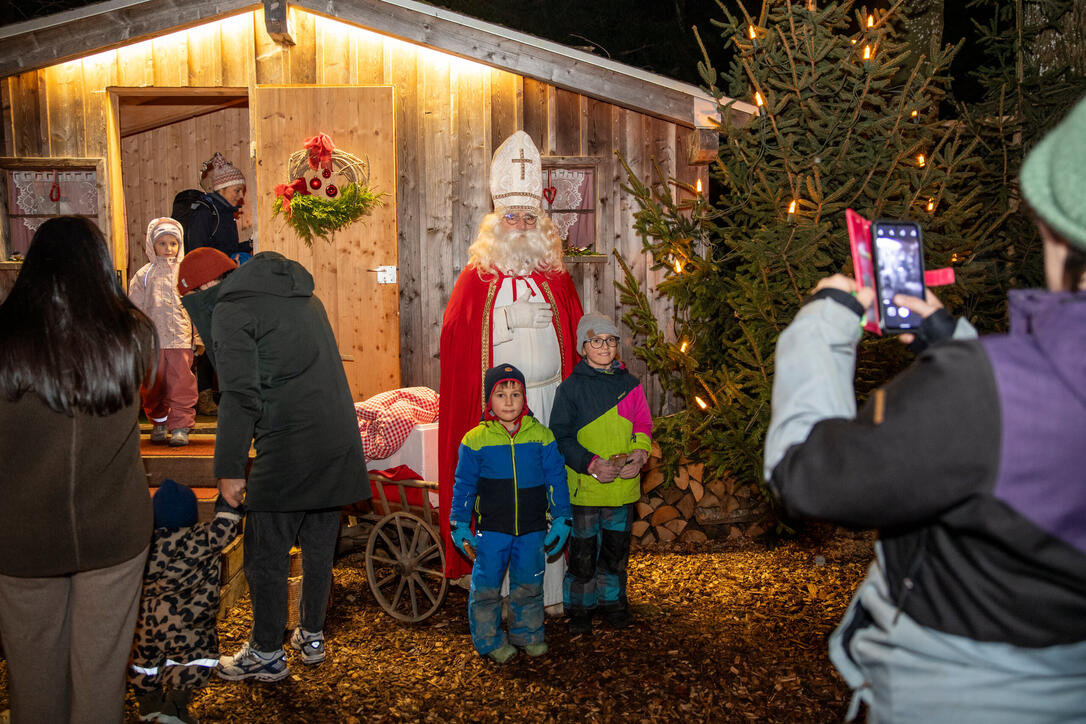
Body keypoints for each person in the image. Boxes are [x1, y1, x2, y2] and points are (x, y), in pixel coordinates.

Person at [763, 95, 1086, 722]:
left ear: (1053, 228)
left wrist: (822, 326)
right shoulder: (993, 388)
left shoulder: (978, 394)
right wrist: (953, 343)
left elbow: (802, 475)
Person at [178, 247, 369, 683]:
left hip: (289, 444)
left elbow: (240, 395)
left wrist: (229, 469)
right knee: (319, 548)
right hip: (337, 440)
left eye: (188, 301)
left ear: (203, 288)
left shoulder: (231, 309)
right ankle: (312, 635)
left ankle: (265, 652)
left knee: (265, 551)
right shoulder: (303, 294)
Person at [0, 216, 155, 723]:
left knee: (33, 683)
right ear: (100, 266)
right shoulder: (133, 335)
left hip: (21, 535)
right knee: (100, 683)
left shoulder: (6, 340)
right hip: (112, 529)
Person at [439, 131, 584, 608]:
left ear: (540, 222)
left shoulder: (555, 278)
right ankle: (500, 592)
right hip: (501, 415)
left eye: (528, 217)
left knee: (548, 493)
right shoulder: (475, 279)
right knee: (506, 496)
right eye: (511, 217)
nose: (521, 225)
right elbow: (458, 338)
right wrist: (507, 320)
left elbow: (575, 333)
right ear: (496, 221)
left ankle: (551, 593)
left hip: (549, 400)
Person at [449, 364, 572, 663]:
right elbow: (464, 486)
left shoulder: (542, 436)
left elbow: (557, 478)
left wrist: (562, 517)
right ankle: (488, 640)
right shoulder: (475, 439)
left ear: (524, 398)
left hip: (532, 529)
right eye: (500, 394)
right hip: (492, 531)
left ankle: (527, 634)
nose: (508, 401)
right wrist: (460, 524)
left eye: (515, 394)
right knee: (486, 588)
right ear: (488, 400)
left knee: (529, 585)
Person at [549, 312, 653, 635]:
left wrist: (640, 453)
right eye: (596, 341)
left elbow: (643, 425)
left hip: (622, 489)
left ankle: (613, 604)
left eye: (610, 340)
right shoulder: (570, 389)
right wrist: (590, 463)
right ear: (583, 347)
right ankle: (580, 609)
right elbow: (560, 437)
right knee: (582, 553)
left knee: (615, 551)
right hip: (586, 489)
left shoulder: (631, 385)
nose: (605, 347)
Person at [130, 479, 243, 723]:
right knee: (189, 662)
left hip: (148, 624)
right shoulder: (202, 539)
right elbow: (226, 524)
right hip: (189, 624)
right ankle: (175, 710)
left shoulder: (142, 545)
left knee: (146, 663)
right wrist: (227, 496)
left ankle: (149, 707)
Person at [128, 217, 199, 446]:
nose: (168, 248)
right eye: (162, 243)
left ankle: (180, 426)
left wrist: (198, 337)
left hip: (180, 338)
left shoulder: (185, 273)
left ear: (180, 245)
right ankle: (159, 421)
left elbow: (196, 306)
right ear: (152, 245)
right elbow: (134, 309)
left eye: (173, 243)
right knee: (153, 385)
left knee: (182, 384)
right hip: (153, 341)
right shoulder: (143, 275)